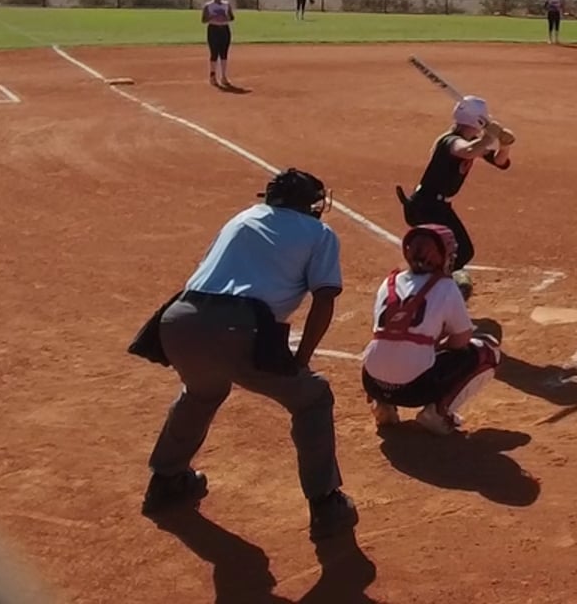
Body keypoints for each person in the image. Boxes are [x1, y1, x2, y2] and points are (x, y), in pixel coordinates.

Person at [128, 169, 357, 542]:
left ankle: (165, 480)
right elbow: (324, 299)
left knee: (202, 392)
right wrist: (300, 361)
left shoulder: (241, 218)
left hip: (177, 320)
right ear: (310, 204)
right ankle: (326, 504)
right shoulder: (320, 233)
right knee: (313, 397)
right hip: (239, 327)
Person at [360, 225, 503, 436]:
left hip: (372, 382)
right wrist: (440, 342)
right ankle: (438, 412)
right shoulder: (446, 286)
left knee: (389, 344)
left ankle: (382, 405)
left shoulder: (388, 283)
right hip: (415, 390)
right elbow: (461, 342)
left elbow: (397, 331)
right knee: (486, 351)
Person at [395, 96, 515, 301]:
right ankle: (428, 290)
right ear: (479, 121)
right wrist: (489, 136)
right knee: (460, 251)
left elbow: (499, 161)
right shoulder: (450, 141)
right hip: (427, 206)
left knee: (458, 251)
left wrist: (504, 145)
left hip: (436, 207)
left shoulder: (469, 142)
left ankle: (430, 287)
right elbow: (467, 151)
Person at [200, 0, 236, 88]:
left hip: (224, 29)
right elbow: (203, 20)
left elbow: (232, 18)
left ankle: (224, 76)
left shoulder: (226, 4)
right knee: (214, 53)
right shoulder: (208, 6)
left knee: (224, 53)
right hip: (213, 30)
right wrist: (212, 17)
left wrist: (226, 17)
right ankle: (213, 75)